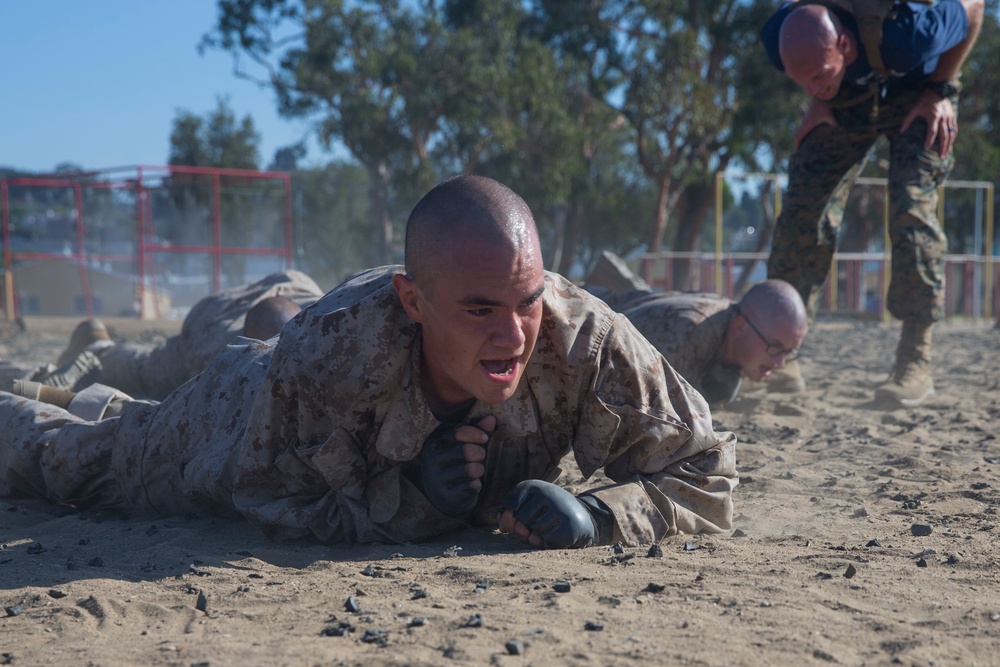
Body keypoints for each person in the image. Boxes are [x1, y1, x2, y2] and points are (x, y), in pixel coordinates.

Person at [0, 175, 738, 550]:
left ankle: (88, 392)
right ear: (413, 301)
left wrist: (604, 515)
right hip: (237, 416)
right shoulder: (331, 357)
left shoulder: (584, 338)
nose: (514, 334)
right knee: (78, 464)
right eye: (480, 309)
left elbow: (708, 467)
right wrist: (417, 497)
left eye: (528, 299)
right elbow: (273, 500)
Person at [760, 0, 983, 407]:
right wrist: (820, 93)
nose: (809, 85)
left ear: (843, 45)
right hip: (847, 101)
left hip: (916, 91)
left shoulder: (912, 35)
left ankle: (915, 358)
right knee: (802, 209)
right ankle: (779, 350)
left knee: (910, 207)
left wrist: (941, 88)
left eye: (818, 74)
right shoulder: (780, 38)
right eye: (801, 80)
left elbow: (974, 7)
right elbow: (810, 67)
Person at [8, 271, 324, 402]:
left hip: (294, 285)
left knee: (157, 361)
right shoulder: (248, 355)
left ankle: (98, 349)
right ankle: (96, 353)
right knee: (155, 372)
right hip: (230, 332)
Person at [588, 279, 808, 405]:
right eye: (775, 347)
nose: (780, 363)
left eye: (788, 352)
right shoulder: (687, 337)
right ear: (740, 326)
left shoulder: (732, 321)